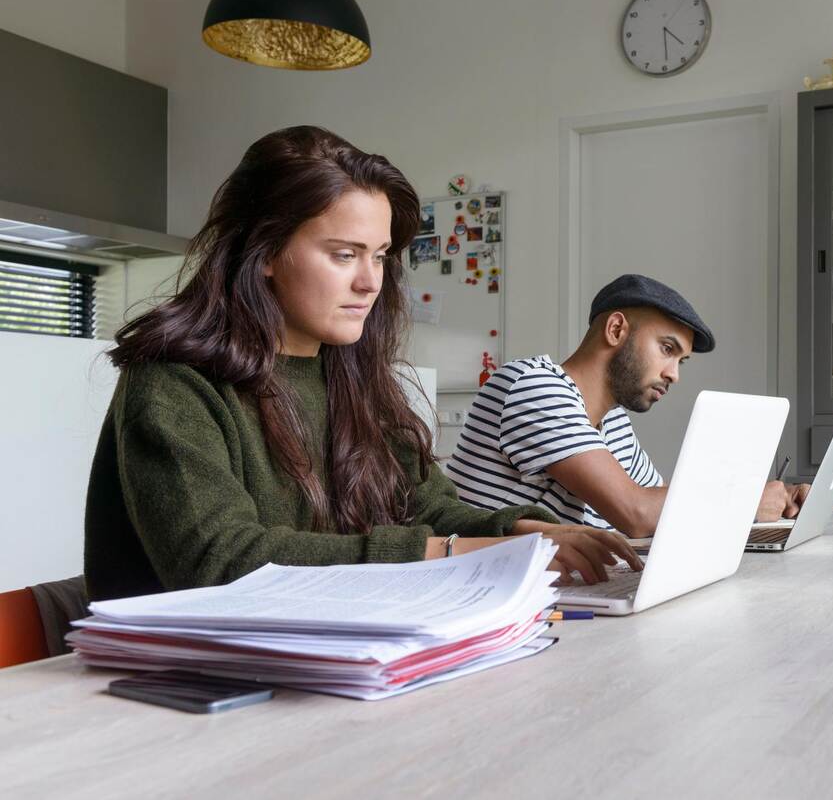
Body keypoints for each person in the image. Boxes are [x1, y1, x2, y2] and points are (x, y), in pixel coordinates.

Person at [83, 125, 639, 601]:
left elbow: (427, 505)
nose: (370, 281)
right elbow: (220, 561)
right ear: (266, 251)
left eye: (378, 256)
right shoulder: (171, 381)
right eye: (344, 255)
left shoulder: (351, 375)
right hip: (187, 680)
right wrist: (455, 552)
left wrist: (530, 533)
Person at [446, 274, 810, 538]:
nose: (674, 375)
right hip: (491, 598)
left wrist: (776, 497)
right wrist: (745, 500)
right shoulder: (533, 384)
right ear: (616, 330)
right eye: (667, 349)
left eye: (680, 361)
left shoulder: (613, 419)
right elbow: (637, 513)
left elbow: (659, 505)